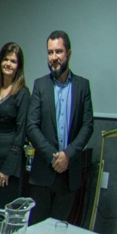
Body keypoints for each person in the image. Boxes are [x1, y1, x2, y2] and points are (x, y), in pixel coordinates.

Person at [26, 31, 94, 223]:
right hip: (43, 174)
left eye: (58, 51)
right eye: (50, 52)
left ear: (68, 53)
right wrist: (54, 156)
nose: (54, 57)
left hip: (69, 175)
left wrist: (67, 155)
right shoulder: (40, 85)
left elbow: (88, 125)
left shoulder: (82, 86)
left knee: (58, 232)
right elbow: (31, 126)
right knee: (37, 232)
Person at [0, 42, 31, 209]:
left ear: (18, 66)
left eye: (13, 61)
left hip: (9, 165)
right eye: (6, 59)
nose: (8, 64)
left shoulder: (22, 93)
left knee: (4, 212)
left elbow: (21, 134)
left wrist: (7, 169)